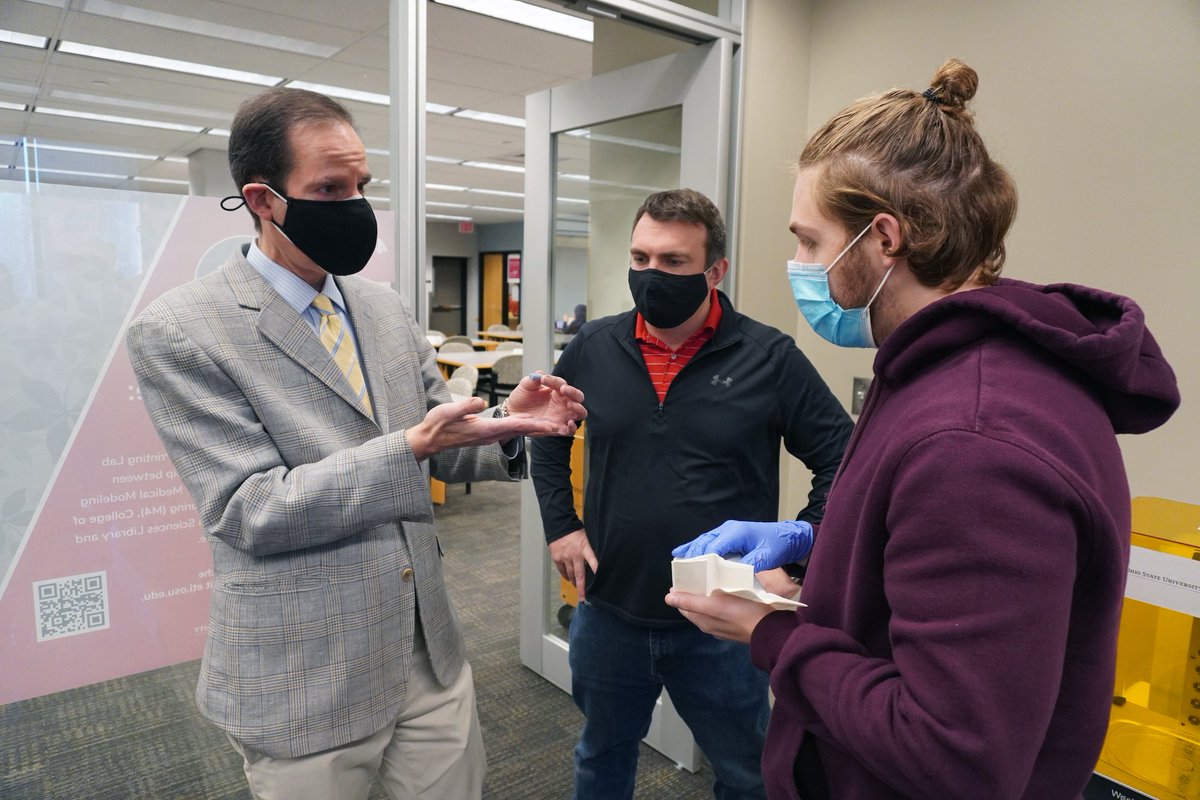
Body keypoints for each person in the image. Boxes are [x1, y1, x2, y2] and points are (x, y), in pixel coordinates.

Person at [667, 59, 1180, 800]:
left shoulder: (976, 440)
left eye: (809, 241)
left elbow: (956, 755)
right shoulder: (943, 370)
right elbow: (945, 587)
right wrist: (820, 553)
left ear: (883, 238)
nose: (799, 264)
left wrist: (768, 633)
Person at [125, 87, 586, 800]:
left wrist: (506, 427)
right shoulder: (182, 331)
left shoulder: (381, 305)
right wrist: (409, 448)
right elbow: (250, 509)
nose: (355, 207)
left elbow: (438, 436)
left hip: (427, 652)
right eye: (330, 189)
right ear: (263, 199)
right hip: (305, 675)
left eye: (362, 187)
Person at [531, 188, 853, 799]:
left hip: (722, 621)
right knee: (600, 757)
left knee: (747, 773)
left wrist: (796, 557)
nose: (652, 276)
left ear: (715, 271)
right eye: (641, 258)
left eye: (673, 262)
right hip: (610, 611)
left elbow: (846, 460)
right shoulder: (593, 347)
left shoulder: (769, 358)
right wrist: (561, 525)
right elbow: (548, 435)